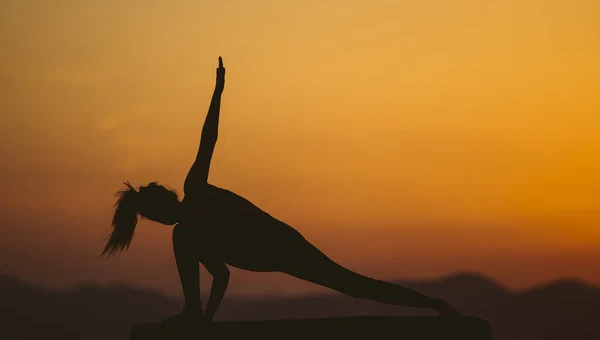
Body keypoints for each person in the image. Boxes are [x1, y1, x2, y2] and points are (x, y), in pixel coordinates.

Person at [102, 57, 461, 323]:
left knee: (351, 283)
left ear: (163, 208)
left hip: (279, 244)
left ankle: (436, 306)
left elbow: (208, 138)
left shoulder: (193, 198)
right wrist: (206, 320)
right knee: (351, 283)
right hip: (270, 251)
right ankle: (436, 305)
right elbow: (223, 276)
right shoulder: (190, 235)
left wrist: (218, 92)